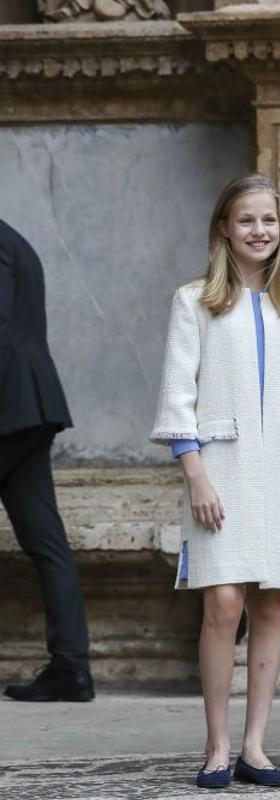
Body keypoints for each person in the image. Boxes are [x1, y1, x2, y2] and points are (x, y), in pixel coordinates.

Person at [150, 172, 280, 788]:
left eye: (270, 221)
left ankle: (255, 746)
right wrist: (195, 476)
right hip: (220, 471)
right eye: (247, 220)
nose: (260, 231)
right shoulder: (195, 300)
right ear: (224, 227)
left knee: (271, 604)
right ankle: (216, 743)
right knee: (223, 602)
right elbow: (178, 397)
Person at [0, 219, 93, 703]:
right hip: (28, 408)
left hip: (9, 407)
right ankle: (71, 668)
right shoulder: (15, 240)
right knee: (46, 542)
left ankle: (71, 668)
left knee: (48, 544)